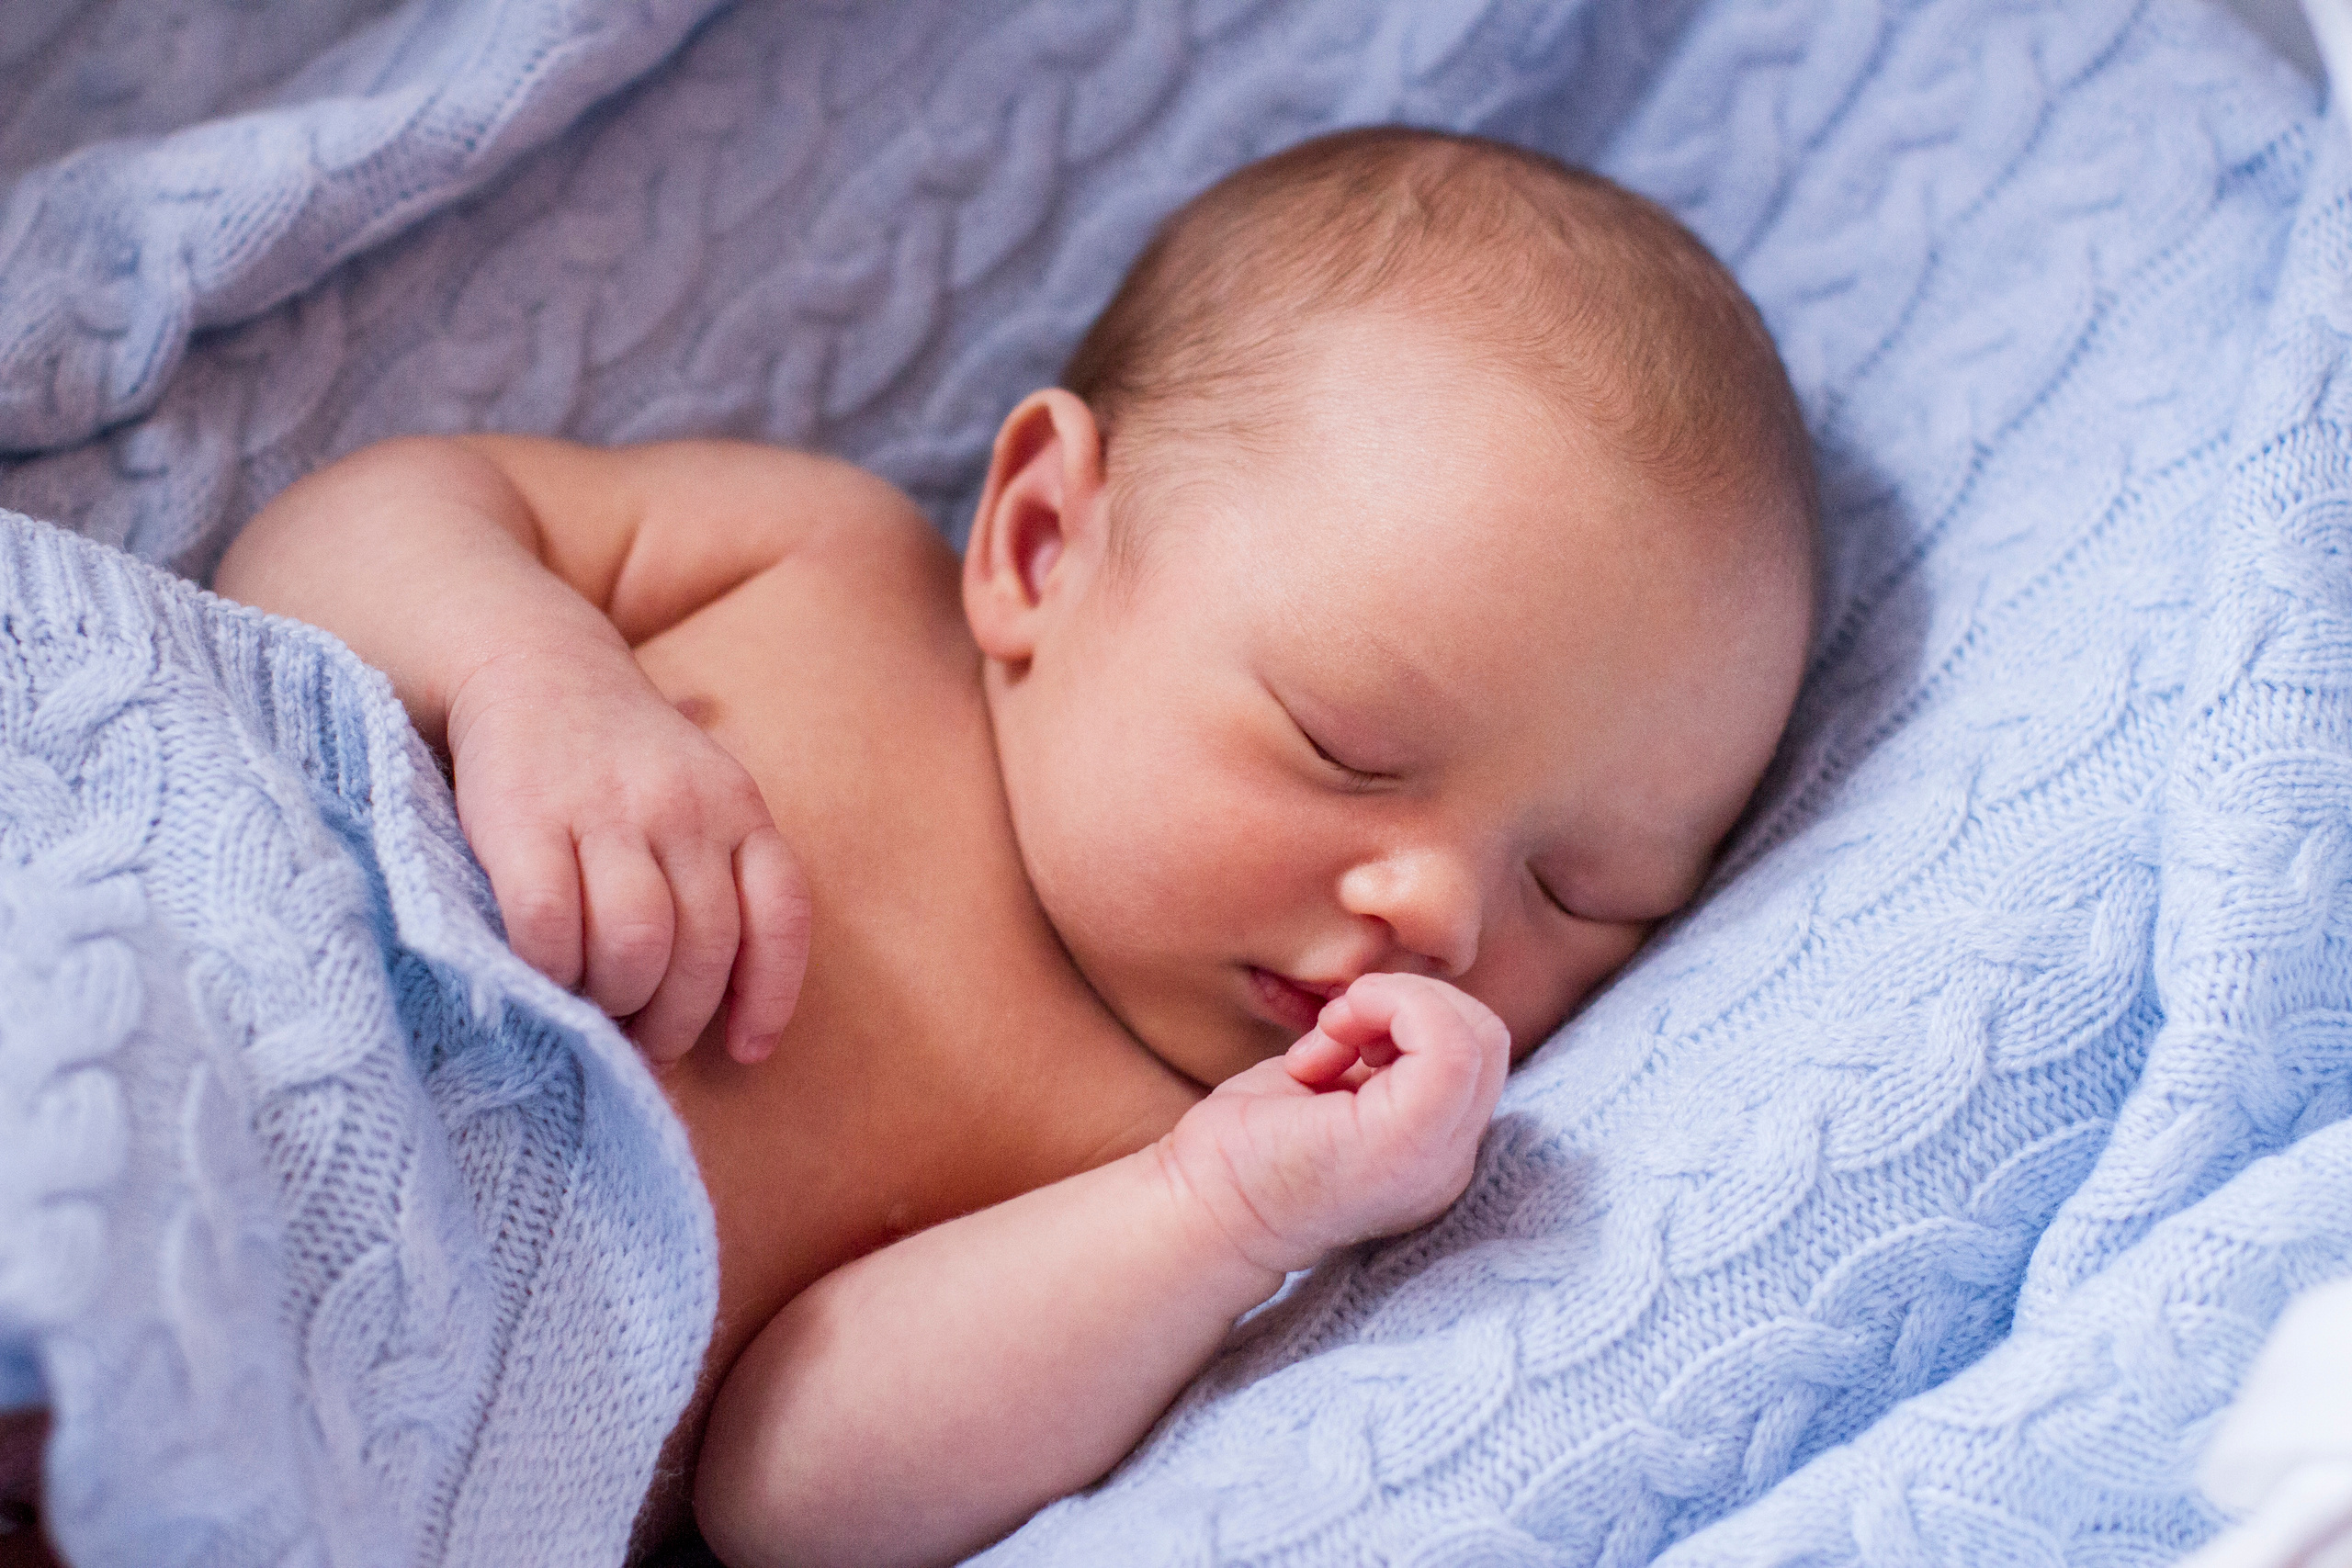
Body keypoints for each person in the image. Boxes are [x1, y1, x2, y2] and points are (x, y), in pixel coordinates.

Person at [215, 126, 1817, 1568]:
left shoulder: (1166, 1168)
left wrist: (1215, 1213)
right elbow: (314, 550)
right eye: (1348, 746)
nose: (1444, 911)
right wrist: (525, 672)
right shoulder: (816, 564)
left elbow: (787, 1496)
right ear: (1042, 542)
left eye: (1586, 893)